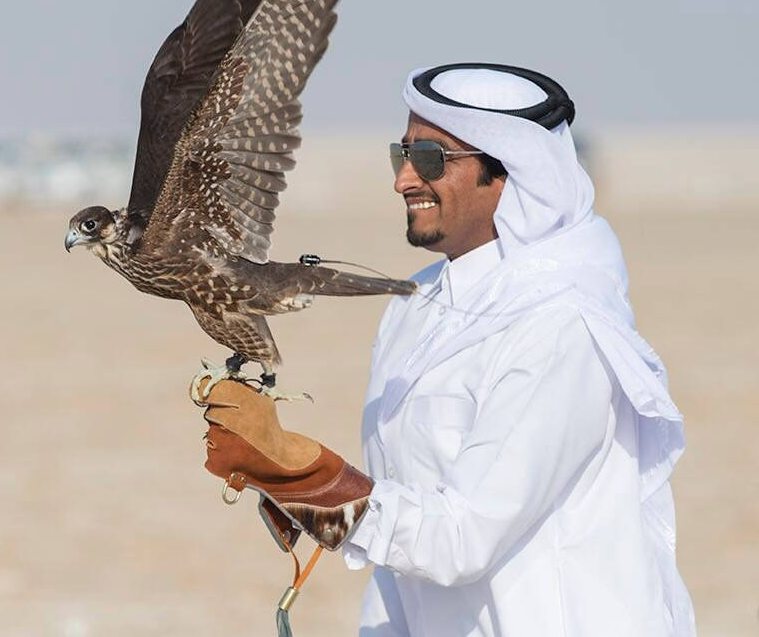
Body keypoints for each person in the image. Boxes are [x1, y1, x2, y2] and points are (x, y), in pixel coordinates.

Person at [197, 63, 695, 636]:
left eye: (431, 159)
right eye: (400, 154)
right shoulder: (416, 306)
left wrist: (297, 471)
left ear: (509, 174)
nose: (404, 179)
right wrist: (284, 477)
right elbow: (400, 560)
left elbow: (462, 539)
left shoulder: (563, 326)